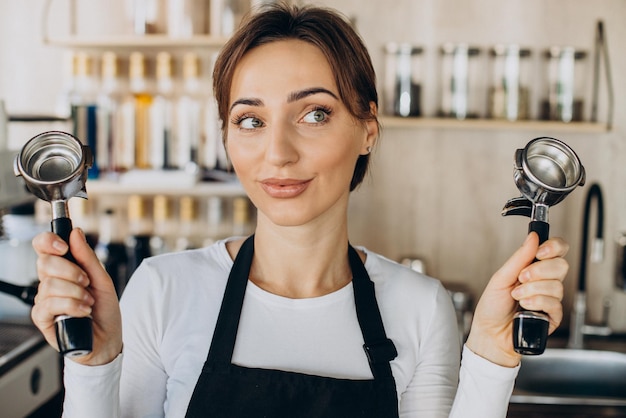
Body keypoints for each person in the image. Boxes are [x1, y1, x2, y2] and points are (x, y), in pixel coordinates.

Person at [31, 3, 569, 417]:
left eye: (314, 114)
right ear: (226, 136)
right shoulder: (164, 289)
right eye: (250, 119)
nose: (278, 153)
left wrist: (493, 360)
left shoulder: (420, 307)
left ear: (367, 129)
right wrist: (91, 365)